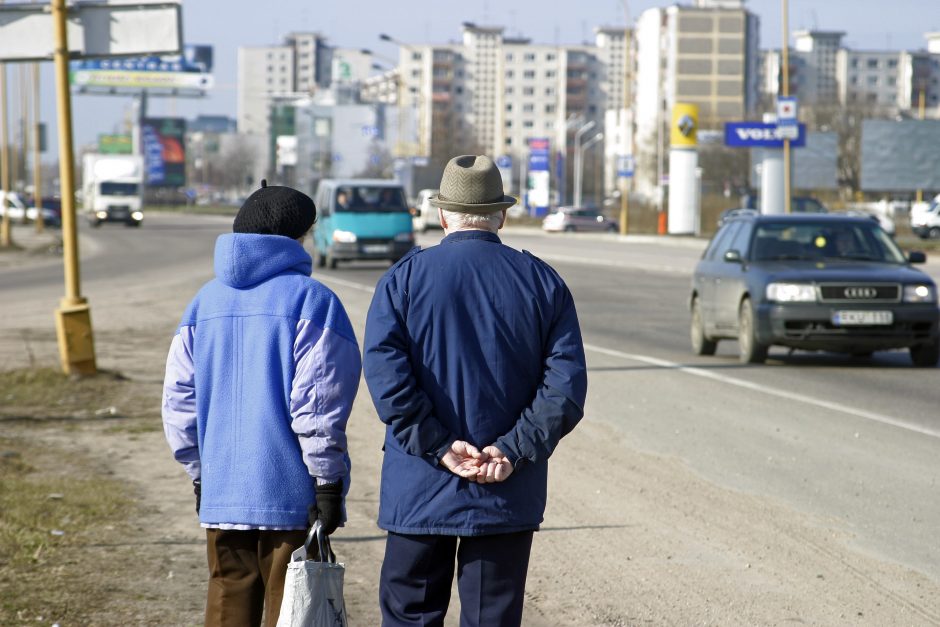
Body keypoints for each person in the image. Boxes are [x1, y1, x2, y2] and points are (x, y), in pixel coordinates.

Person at [362, 155, 588, 626]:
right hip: (505, 491)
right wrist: (511, 451)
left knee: (410, 616)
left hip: (419, 487)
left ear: (443, 214)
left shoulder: (403, 279)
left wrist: (440, 446)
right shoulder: (542, 282)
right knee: (491, 618)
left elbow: (387, 377)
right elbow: (564, 388)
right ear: (501, 215)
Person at [162, 180, 361, 627]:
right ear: (297, 237)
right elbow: (317, 405)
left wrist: (200, 474)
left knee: (227, 605)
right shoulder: (314, 302)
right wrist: (327, 483)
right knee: (291, 611)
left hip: (221, 493)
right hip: (289, 497)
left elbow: (179, 402)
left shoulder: (203, 303)